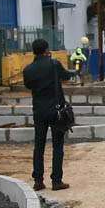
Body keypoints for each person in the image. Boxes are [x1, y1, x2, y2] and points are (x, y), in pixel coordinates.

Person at [22, 38, 73, 191]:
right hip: (56, 112)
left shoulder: (28, 70)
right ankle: (56, 180)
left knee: (39, 146)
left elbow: (28, 85)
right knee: (57, 146)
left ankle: (38, 180)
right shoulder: (53, 64)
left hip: (39, 111)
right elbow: (66, 76)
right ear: (46, 50)